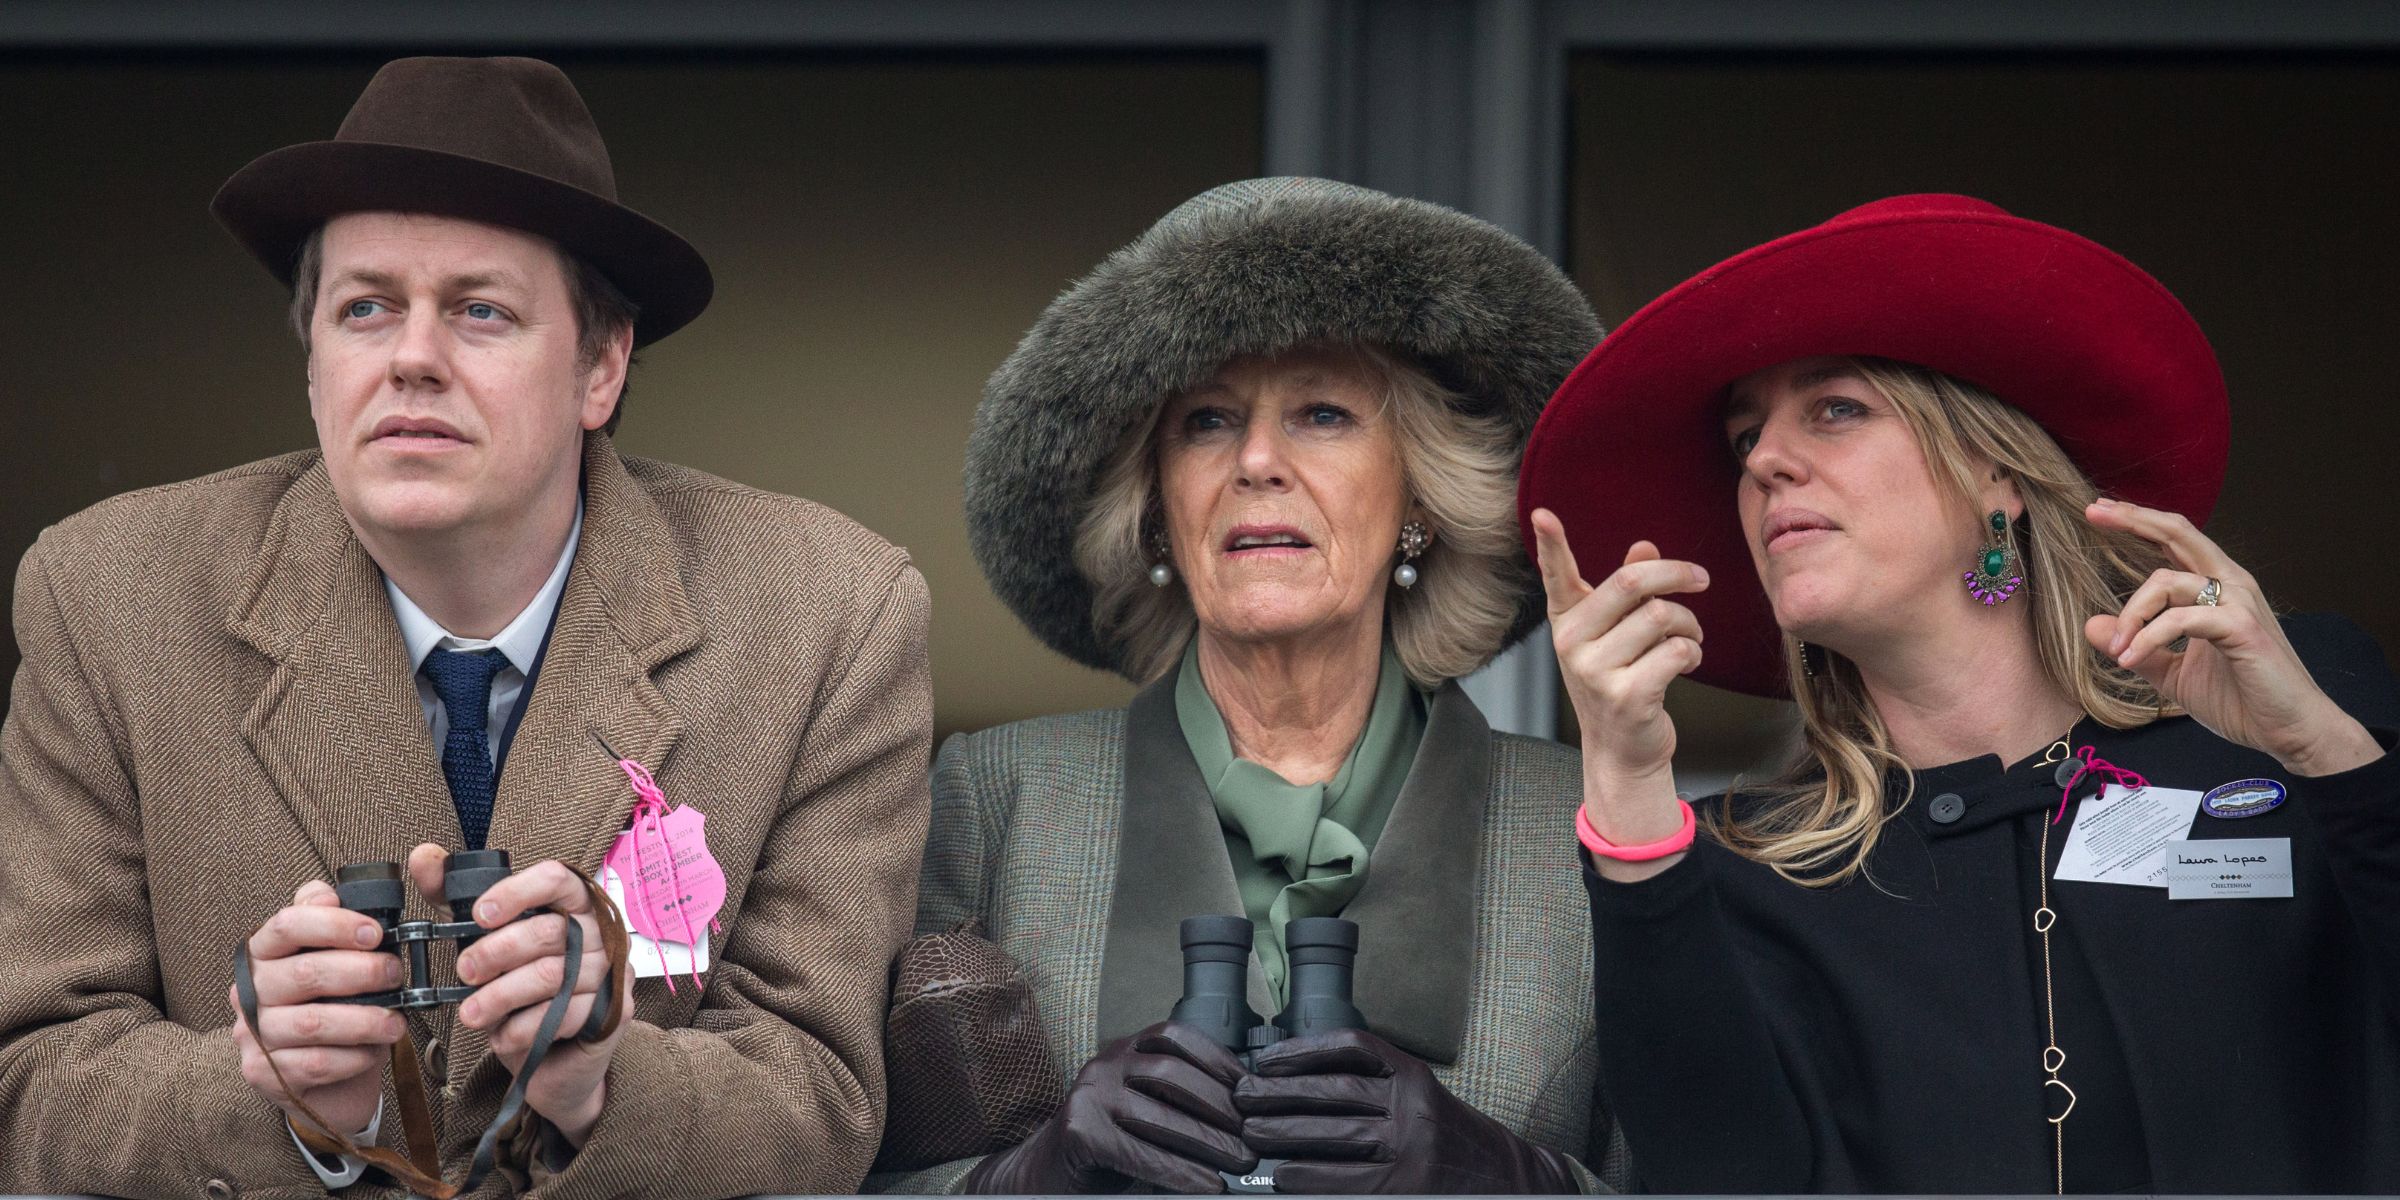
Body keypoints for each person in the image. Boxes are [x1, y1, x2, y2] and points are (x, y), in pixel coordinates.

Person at [0, 57, 931, 1197]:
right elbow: (25, 1073)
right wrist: (279, 1103)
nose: (411, 358)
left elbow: (826, 1095)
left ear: (601, 365)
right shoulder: (107, 597)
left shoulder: (826, 613)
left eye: (480, 310)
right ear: (313, 364)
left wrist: (600, 1085)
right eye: (365, 308)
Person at [1518, 193, 2400, 1192]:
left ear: (1995, 472)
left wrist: (2328, 754)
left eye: (1836, 409)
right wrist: (1628, 791)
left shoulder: (2287, 709)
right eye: (1743, 439)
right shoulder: (1748, 866)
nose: (1764, 461)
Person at [877, 177, 1620, 1195]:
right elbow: (850, 1170)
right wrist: (1030, 1176)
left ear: (1422, 501)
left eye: (1323, 414)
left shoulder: (1587, 824)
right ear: (1156, 509)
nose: (1258, 460)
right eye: (1208, 421)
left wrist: (1503, 1177)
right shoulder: (994, 797)